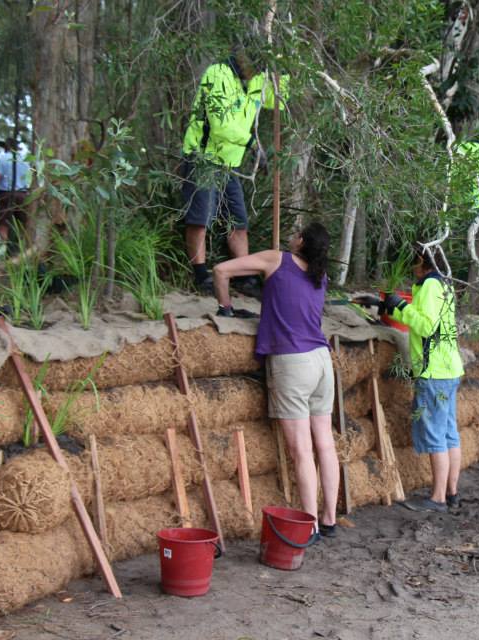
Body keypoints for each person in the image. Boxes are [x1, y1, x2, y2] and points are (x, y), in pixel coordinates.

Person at [213, 222, 339, 538]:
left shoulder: (276, 259)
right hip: (322, 361)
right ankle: (329, 520)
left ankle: (308, 525)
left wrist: (225, 307)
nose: (291, 235)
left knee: (301, 451)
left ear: (300, 243)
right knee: (325, 443)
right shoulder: (319, 274)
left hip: (293, 362)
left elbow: (221, 270)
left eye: (297, 233)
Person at [359, 245, 465, 513]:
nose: (411, 268)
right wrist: (386, 306)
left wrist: (401, 305)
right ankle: (451, 492)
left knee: (435, 433)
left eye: (413, 262)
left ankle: (438, 498)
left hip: (434, 372)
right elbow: (425, 318)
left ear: (422, 261)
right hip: (449, 368)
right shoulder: (444, 285)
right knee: (450, 433)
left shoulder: (429, 286)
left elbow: (426, 326)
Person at [181, 48, 286, 294]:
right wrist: (252, 144)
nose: (257, 70)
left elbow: (278, 99)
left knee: (237, 221)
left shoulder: (257, 79)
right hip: (203, 157)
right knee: (200, 218)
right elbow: (220, 126)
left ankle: (243, 276)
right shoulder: (218, 74)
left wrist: (285, 70)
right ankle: (200, 275)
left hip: (230, 164)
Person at [0, 138, 31, 250]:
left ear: (6, 147)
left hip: (6, 195)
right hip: (23, 195)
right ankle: (21, 249)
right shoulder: (25, 160)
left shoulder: (3, 159)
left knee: (3, 224)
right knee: (23, 224)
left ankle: (6, 247)